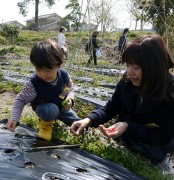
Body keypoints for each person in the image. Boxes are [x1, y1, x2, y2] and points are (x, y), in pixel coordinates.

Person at [70, 34, 174, 172]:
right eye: (127, 65)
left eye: (136, 68)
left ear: (154, 68)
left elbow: (164, 135)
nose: (129, 72)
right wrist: (88, 120)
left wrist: (128, 127)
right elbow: (111, 107)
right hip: (132, 132)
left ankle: (161, 162)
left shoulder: (170, 92)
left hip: (161, 139)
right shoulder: (127, 82)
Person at [7, 39, 80, 141]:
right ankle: (45, 127)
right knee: (51, 110)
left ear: (58, 65)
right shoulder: (34, 83)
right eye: (38, 69)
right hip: (45, 108)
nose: (42, 74)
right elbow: (21, 99)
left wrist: (70, 98)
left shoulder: (63, 75)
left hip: (61, 106)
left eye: (48, 70)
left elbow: (70, 88)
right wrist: (14, 118)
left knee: (80, 124)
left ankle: (83, 136)